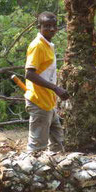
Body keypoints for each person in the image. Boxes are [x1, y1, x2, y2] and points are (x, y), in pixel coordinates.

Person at [24, 11, 69, 153]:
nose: (51, 29)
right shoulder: (37, 45)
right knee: (37, 147)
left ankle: (56, 169)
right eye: (47, 26)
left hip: (49, 102)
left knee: (57, 142)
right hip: (39, 101)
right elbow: (29, 74)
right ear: (39, 26)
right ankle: (30, 171)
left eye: (54, 26)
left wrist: (54, 92)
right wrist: (55, 88)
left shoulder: (48, 44)